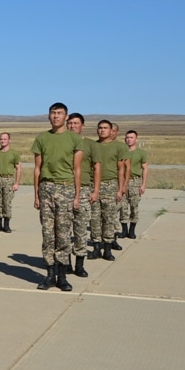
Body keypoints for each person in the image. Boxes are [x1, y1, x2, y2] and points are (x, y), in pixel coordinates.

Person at [32, 102, 83, 291]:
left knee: (63, 234)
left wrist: (77, 196)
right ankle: (49, 274)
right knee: (47, 233)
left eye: (59, 113)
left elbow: (77, 169)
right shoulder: (42, 138)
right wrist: (36, 194)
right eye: (53, 113)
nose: (55, 116)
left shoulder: (74, 139)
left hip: (66, 188)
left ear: (66, 117)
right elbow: (37, 169)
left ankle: (62, 276)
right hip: (46, 189)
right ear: (48, 116)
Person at [90, 119, 130, 261]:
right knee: (94, 219)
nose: (102, 130)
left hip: (110, 185)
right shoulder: (92, 146)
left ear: (110, 130)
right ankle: (96, 247)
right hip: (94, 185)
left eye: (105, 128)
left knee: (109, 218)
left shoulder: (118, 147)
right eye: (100, 128)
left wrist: (120, 189)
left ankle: (107, 248)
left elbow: (121, 169)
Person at [66, 114, 100, 278]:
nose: (72, 126)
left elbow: (96, 168)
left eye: (76, 123)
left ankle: (80, 263)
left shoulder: (90, 145)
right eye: (70, 123)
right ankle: (65, 263)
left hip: (85, 189)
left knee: (80, 229)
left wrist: (95, 191)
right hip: (64, 188)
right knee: (63, 229)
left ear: (83, 126)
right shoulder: (62, 142)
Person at [121, 129, 149, 239]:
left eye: (131, 137)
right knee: (122, 206)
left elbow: (145, 169)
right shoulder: (122, 151)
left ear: (136, 139)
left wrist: (143, 184)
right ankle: (124, 230)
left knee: (134, 206)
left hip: (135, 181)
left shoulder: (141, 153)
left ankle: (132, 230)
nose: (129, 139)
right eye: (127, 137)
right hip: (123, 181)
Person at [0, 132, 21, 233]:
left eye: (5, 139)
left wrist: (16, 183)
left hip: (8, 180)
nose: (3, 141)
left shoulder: (14, 153)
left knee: (7, 203)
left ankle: (6, 224)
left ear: (9, 140)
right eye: (1, 139)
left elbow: (18, 168)